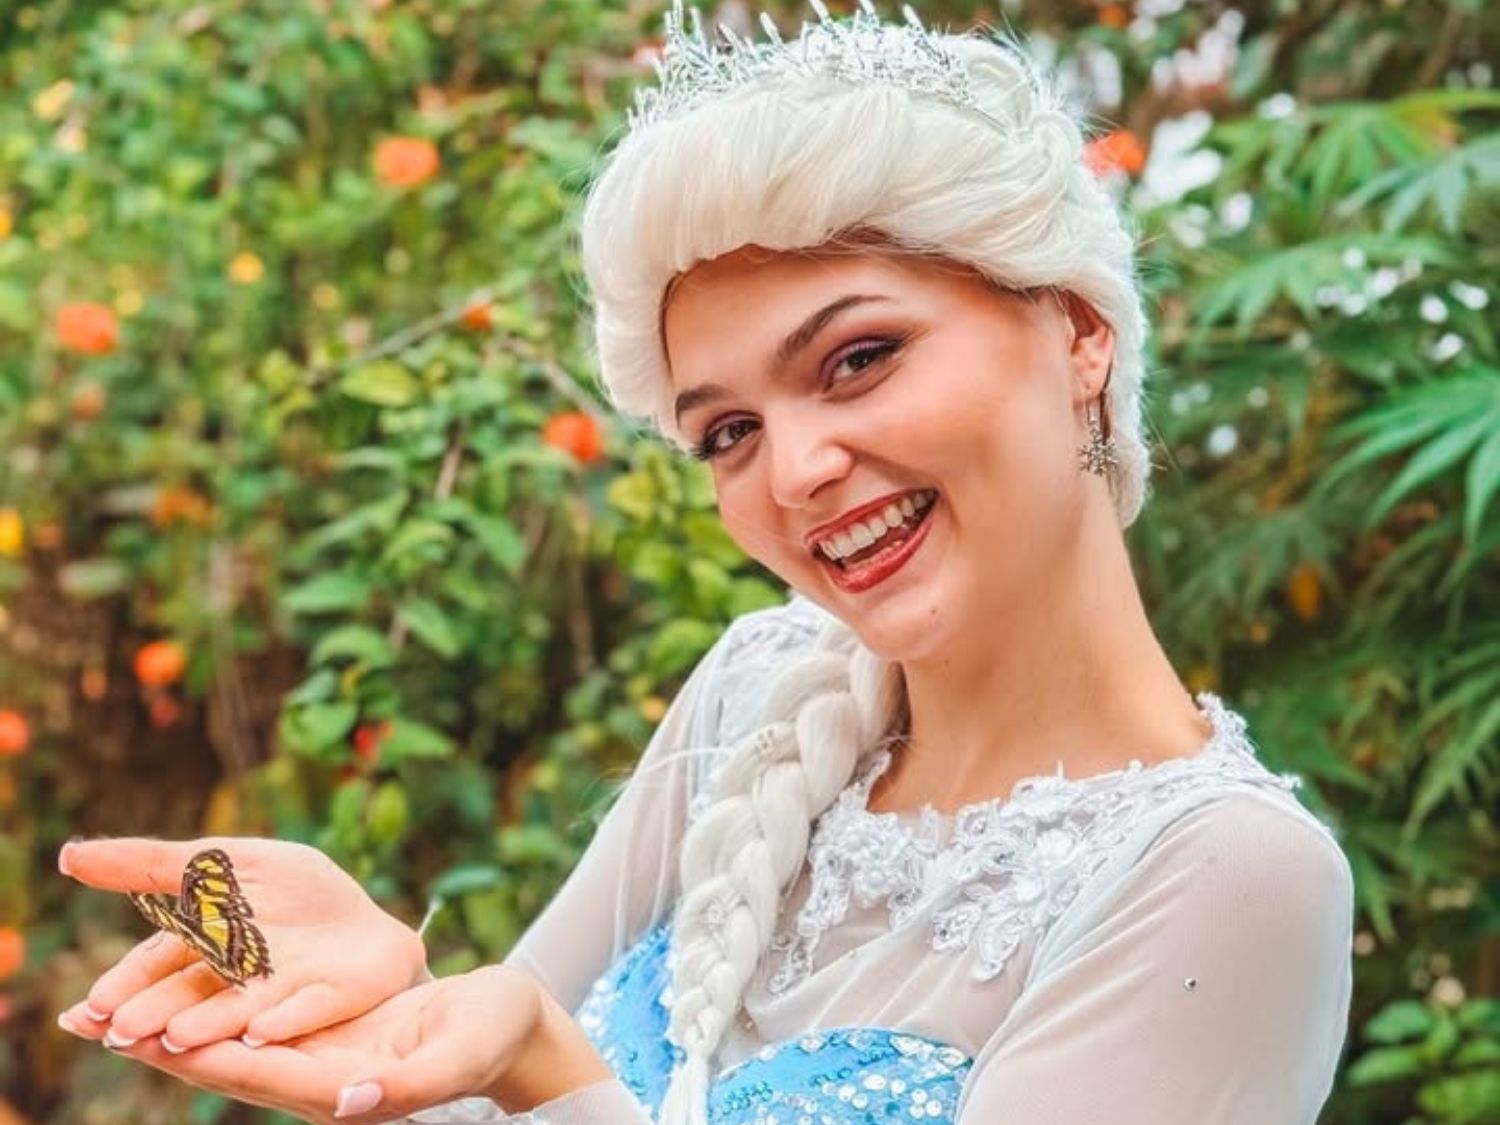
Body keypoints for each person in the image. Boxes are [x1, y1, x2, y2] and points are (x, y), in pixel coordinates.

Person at [55, 2, 1356, 1122]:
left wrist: (545, 1062)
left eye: (858, 358)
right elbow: (498, 1080)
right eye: (728, 430)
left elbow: (545, 1067)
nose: (793, 472)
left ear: (1077, 332)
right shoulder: (757, 688)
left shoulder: (1231, 882)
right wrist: (397, 1008)